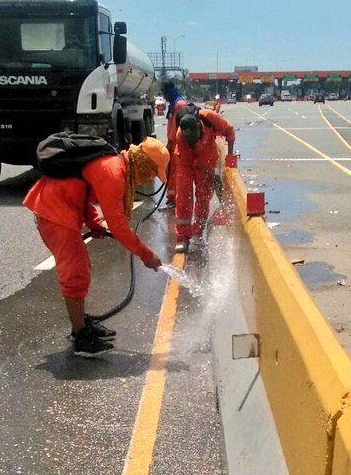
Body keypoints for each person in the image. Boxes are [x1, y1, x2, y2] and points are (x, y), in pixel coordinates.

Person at [23, 134, 168, 357]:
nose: (147, 179)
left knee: (79, 270)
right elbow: (118, 225)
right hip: (55, 213)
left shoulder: (114, 165)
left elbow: (81, 190)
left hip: (60, 208)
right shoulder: (113, 171)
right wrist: (145, 254)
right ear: (143, 163)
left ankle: (80, 324)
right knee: (75, 272)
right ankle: (81, 337)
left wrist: (94, 223)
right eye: (151, 172)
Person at [174, 107, 235, 252]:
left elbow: (229, 131)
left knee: (203, 197)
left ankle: (198, 232)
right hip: (186, 162)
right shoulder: (181, 136)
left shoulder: (208, 117)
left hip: (207, 157)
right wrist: (210, 172)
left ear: (198, 126)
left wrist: (229, 158)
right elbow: (191, 161)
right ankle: (182, 237)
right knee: (183, 196)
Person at [162, 80, 185, 208]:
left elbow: (180, 127)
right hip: (172, 144)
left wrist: (175, 143)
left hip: (179, 145)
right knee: (170, 172)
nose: (164, 97)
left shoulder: (179, 105)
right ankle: (171, 199)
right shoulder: (173, 105)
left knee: (176, 173)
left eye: (165, 93)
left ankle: (175, 200)